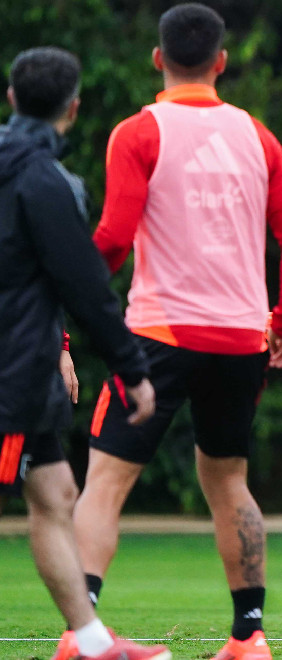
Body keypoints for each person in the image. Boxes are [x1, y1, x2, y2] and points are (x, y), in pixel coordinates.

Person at [72, 5, 282, 659]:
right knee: (229, 481)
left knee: (107, 480)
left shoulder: (138, 131)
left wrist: (70, 291)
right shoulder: (257, 137)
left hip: (158, 335)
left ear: (158, 60)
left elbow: (114, 241)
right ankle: (249, 635)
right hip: (241, 341)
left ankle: (82, 632)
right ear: (222, 63)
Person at [0, 46, 171, 660]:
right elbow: (86, 287)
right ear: (72, 109)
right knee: (49, 497)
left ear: (14, 98)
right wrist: (134, 368)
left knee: (54, 497)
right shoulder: (50, 183)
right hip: (11, 375)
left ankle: (93, 643)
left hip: (28, 369)